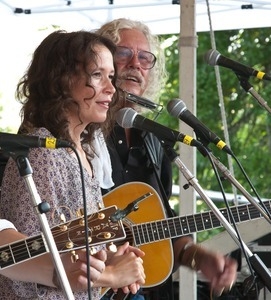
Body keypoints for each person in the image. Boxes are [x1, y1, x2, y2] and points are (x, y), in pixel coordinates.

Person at [96, 18, 238, 299]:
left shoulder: (153, 140)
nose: (136, 64)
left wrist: (199, 258)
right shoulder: (84, 132)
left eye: (145, 58)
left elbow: (162, 226)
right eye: (124, 53)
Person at [0, 30, 146, 299]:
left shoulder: (82, 153)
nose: (111, 89)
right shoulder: (43, 152)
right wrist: (109, 275)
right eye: (97, 75)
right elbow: (18, 264)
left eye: (111, 77)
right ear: (61, 80)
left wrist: (108, 259)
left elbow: (74, 254)